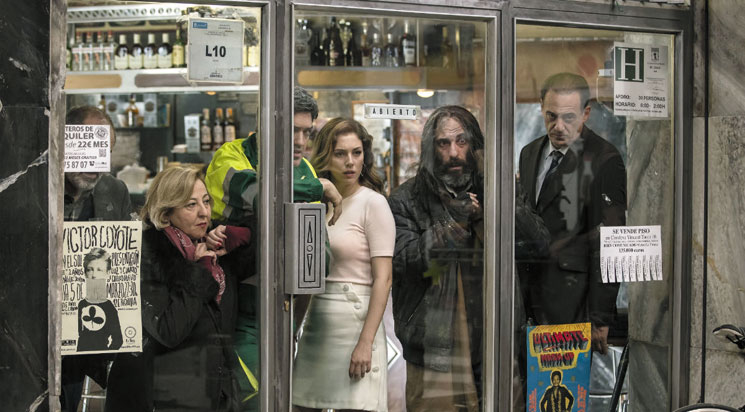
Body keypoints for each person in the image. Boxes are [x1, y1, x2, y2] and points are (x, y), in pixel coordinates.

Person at [205, 86, 342, 410]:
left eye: (306, 132)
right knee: (250, 401)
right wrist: (317, 188)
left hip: (284, 312)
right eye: (292, 130)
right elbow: (256, 193)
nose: (300, 141)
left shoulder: (305, 170)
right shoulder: (230, 156)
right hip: (235, 312)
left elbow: (313, 252)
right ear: (266, 125)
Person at [105, 166, 252, 412]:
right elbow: (169, 330)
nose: (204, 212)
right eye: (191, 205)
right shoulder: (146, 256)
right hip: (158, 397)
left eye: (206, 201)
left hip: (208, 392)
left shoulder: (212, 248)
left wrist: (246, 234)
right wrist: (201, 273)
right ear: (165, 214)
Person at [517, 72, 627, 354]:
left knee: (563, 381)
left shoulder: (604, 159)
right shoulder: (529, 153)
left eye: (568, 117)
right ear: (541, 107)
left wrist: (600, 318)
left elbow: (610, 242)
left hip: (572, 301)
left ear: (585, 113)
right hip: (525, 297)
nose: (558, 126)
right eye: (551, 116)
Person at [292, 118, 394, 412]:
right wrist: (293, 331)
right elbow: (307, 274)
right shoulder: (315, 203)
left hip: (357, 324)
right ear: (326, 155)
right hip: (316, 324)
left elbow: (384, 279)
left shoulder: (373, 203)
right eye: (340, 154)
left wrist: (366, 343)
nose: (350, 162)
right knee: (299, 404)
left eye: (356, 152)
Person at [388, 105, 485, 411]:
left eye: (461, 141)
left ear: (475, 146)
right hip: (433, 344)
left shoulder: (496, 190)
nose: (454, 152)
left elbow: (537, 245)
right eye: (444, 143)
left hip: (492, 339)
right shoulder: (406, 199)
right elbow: (406, 261)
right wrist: (453, 221)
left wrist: (492, 203)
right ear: (431, 149)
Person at [61, 106, 132, 412]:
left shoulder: (114, 190)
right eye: (89, 148)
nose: (95, 163)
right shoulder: (33, 183)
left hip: (84, 333)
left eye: (104, 151)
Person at [77, 248, 123, 352]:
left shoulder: (109, 307)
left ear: (107, 273)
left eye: (99, 270)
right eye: (89, 269)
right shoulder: (81, 304)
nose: (94, 275)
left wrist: (106, 356)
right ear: (85, 273)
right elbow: (81, 334)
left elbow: (118, 340)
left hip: (100, 357)